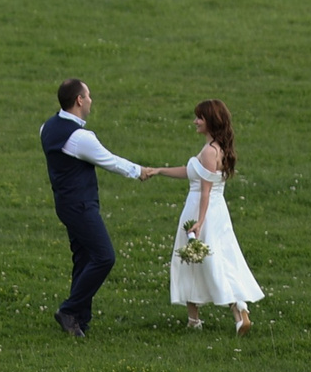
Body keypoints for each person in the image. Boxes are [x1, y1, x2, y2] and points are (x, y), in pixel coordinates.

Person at [41, 78, 158, 338]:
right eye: (89, 95)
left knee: (83, 258)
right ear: (79, 100)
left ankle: (79, 320)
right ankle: (69, 310)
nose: (92, 100)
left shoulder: (47, 127)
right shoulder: (80, 137)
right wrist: (139, 171)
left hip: (65, 204)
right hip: (81, 206)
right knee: (105, 257)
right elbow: (109, 160)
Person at [141, 99, 263, 334]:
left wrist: (199, 221)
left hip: (200, 210)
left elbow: (205, 190)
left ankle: (215, 314)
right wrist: (158, 171)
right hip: (217, 212)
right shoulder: (219, 148)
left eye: (200, 118)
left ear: (211, 121)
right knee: (217, 258)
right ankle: (231, 310)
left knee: (194, 259)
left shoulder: (209, 151)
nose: (195, 121)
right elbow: (191, 172)